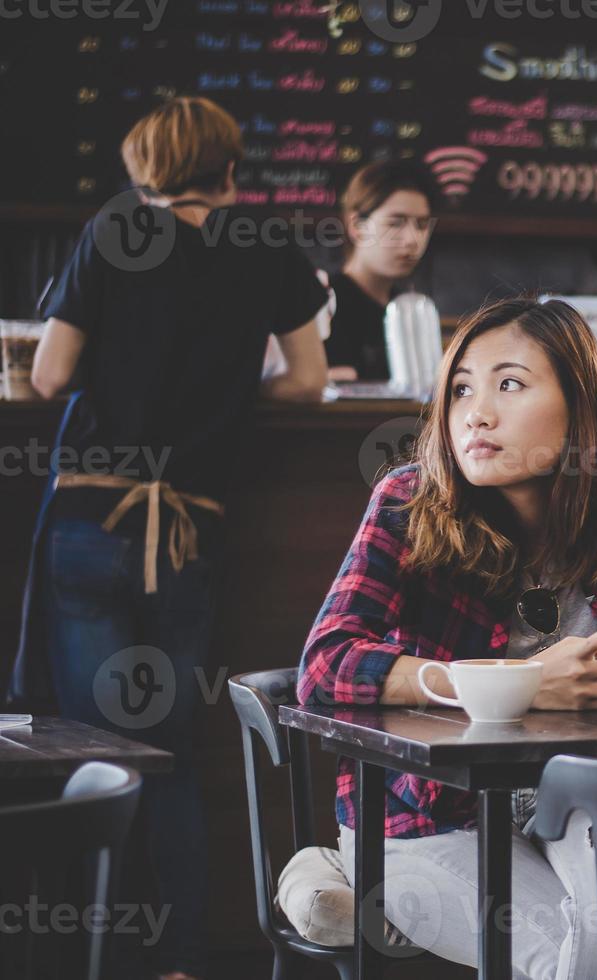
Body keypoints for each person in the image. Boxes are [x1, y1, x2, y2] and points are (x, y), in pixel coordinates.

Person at [298, 297, 597, 976]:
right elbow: (325, 666)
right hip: (426, 817)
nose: (477, 412)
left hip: (584, 795)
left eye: (510, 384)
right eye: (461, 388)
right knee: (580, 963)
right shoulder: (409, 503)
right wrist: (514, 683)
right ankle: (342, 862)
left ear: (577, 402)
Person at [9, 97, 329, 980]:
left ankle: (88, 958)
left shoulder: (115, 228)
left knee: (92, 748)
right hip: (192, 527)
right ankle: (183, 963)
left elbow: (51, 373)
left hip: (89, 519)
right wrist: (226, 395)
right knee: (175, 751)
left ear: (142, 168)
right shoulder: (265, 245)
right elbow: (307, 380)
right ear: (230, 170)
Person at [324, 159, 436, 382]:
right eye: (396, 223)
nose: (413, 240)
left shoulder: (410, 309)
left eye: (422, 225)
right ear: (357, 226)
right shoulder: (322, 301)